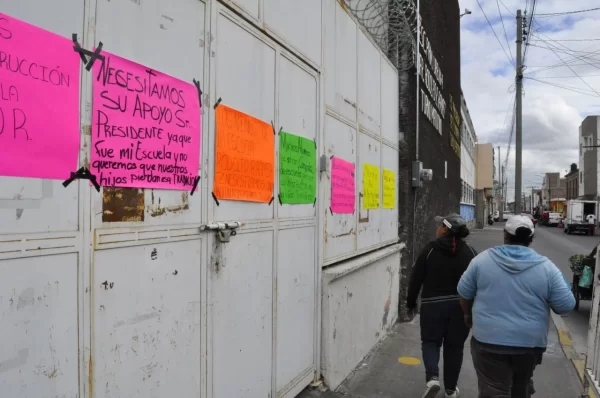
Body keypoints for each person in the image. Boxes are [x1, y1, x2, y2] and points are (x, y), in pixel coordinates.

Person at [458, 215, 575, 398]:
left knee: (494, 389)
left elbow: (464, 293)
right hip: (529, 344)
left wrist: (467, 316)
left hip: (488, 340)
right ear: (531, 238)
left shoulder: (482, 261)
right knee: (520, 386)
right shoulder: (547, 268)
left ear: (505, 235)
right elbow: (565, 305)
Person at [407, 213, 478, 398]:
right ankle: (450, 390)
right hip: (460, 308)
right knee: (454, 348)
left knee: (430, 342)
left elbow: (416, 278)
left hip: (432, 306)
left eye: (440, 225)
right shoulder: (470, 252)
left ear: (445, 229)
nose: (437, 228)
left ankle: (432, 378)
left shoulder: (430, 250)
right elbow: (479, 282)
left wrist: (410, 302)